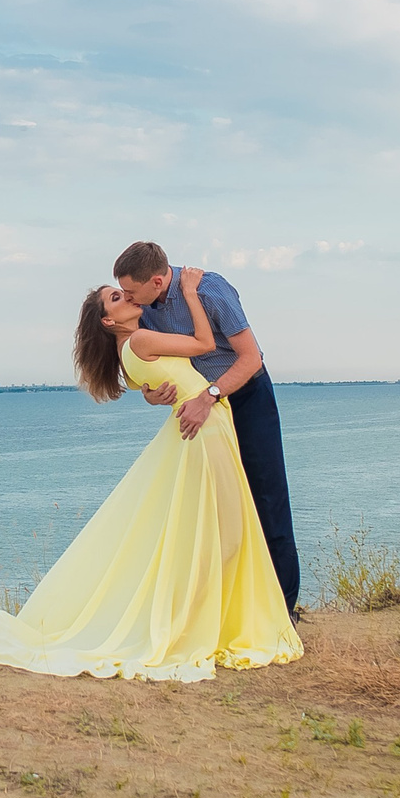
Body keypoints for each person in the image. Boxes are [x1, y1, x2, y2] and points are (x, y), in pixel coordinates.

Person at [0, 268, 302, 681]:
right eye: (117, 298)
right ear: (109, 321)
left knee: (227, 530)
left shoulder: (139, 337)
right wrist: (188, 294)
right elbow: (202, 347)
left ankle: (224, 618)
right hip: (203, 429)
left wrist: (158, 393)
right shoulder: (141, 337)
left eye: (125, 292)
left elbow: (164, 380)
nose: (125, 297)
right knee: (223, 535)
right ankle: (202, 623)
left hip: (211, 420)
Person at [115, 242, 300, 616]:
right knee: (213, 511)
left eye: (132, 292)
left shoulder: (210, 289)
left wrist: (210, 396)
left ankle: (283, 612)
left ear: (155, 280)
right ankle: (224, 611)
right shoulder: (145, 309)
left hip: (246, 399)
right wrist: (149, 394)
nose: (130, 300)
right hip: (204, 415)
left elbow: (251, 359)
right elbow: (141, 363)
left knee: (268, 502)